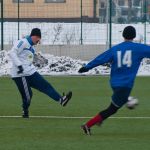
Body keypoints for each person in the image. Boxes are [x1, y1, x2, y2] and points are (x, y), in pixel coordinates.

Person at [78, 26, 150, 135]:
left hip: (114, 84)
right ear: (134, 36)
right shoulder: (139, 48)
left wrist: (87, 67)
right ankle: (88, 125)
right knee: (112, 109)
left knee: (114, 106)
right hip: (125, 86)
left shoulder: (115, 49)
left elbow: (101, 58)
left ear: (123, 35)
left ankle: (100, 119)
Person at [9, 28, 72, 118]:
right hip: (20, 74)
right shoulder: (23, 42)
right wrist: (19, 66)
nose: (39, 41)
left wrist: (37, 61)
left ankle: (61, 100)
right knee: (28, 96)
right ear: (34, 36)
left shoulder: (31, 47)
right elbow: (12, 53)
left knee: (46, 86)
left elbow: (27, 59)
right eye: (39, 38)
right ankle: (25, 110)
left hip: (30, 72)